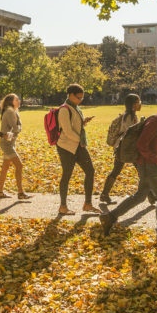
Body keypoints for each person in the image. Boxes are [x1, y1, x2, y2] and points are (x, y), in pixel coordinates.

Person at [100, 96, 157, 244]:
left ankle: (110, 217)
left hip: (145, 164)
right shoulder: (155, 122)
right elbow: (142, 145)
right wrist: (154, 159)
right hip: (149, 165)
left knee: (140, 196)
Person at [55, 84, 96, 215]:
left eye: (82, 98)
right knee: (67, 174)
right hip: (66, 146)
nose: (80, 100)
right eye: (78, 97)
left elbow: (75, 125)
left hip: (78, 145)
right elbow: (67, 131)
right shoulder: (64, 109)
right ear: (71, 95)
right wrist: (81, 140)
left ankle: (88, 204)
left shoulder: (76, 108)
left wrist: (83, 122)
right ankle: (63, 206)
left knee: (90, 171)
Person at [99, 93, 143, 204]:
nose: (140, 104)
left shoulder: (131, 115)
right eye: (138, 102)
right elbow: (129, 132)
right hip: (126, 148)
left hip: (124, 147)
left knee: (123, 170)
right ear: (133, 104)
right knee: (140, 170)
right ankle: (150, 194)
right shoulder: (129, 116)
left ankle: (104, 194)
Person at [0, 93, 30, 200]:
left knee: (5, 167)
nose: (19, 101)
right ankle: (20, 193)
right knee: (19, 166)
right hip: (7, 144)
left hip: (9, 143)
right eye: (16, 100)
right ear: (11, 102)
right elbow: (16, 128)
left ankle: (0, 191)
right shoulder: (10, 111)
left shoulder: (12, 111)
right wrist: (20, 127)